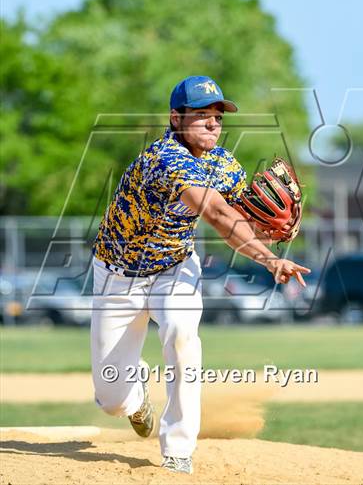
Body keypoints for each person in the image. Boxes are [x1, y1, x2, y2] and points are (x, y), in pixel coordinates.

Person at [90, 75, 310, 475]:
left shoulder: (225, 165)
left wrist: (271, 230)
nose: (212, 123)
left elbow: (240, 222)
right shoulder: (164, 160)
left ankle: (178, 447)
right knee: (112, 401)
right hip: (118, 275)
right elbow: (217, 214)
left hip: (175, 267)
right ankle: (136, 396)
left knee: (181, 335)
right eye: (201, 115)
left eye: (217, 116)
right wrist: (269, 261)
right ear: (176, 118)